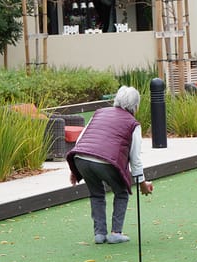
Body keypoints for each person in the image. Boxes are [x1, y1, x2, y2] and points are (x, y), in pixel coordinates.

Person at [66, 86, 153, 244]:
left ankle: (99, 234)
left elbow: (81, 140)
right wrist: (142, 184)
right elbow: (135, 158)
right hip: (106, 161)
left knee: (96, 194)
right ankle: (115, 233)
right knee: (121, 192)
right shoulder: (133, 124)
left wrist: (75, 169)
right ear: (136, 106)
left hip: (81, 159)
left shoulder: (99, 112)